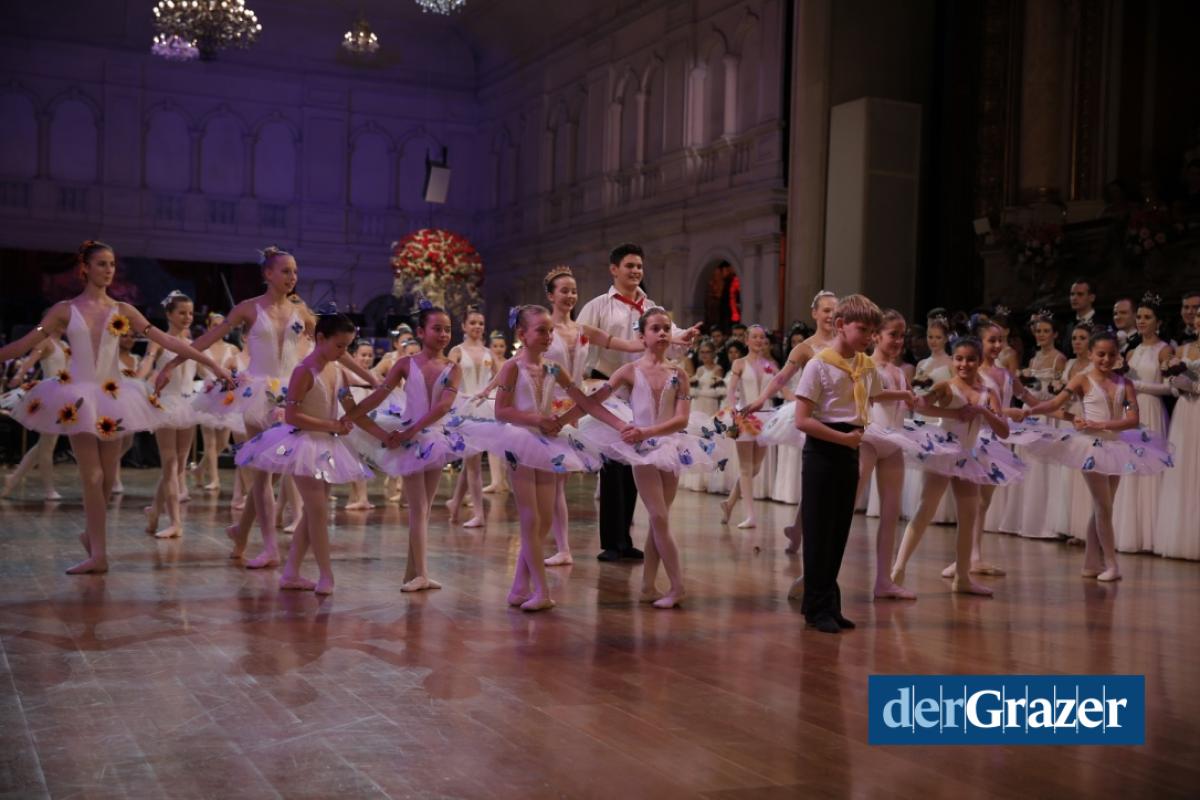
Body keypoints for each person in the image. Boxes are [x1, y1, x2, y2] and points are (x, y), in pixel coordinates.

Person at [1, 241, 231, 573]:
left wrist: (213, 364)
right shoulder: (64, 310)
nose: (109, 270)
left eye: (112, 264)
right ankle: (99, 554)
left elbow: (168, 340)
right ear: (85, 268)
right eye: (102, 264)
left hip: (112, 396)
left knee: (107, 476)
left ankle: (91, 536)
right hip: (77, 399)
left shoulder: (123, 310)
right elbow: (25, 343)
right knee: (93, 475)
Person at [155, 246, 376, 568]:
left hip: (293, 391)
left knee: (270, 474)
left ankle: (241, 532)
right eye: (285, 271)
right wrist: (172, 363)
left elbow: (336, 348)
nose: (292, 277)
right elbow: (209, 337)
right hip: (258, 394)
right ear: (268, 273)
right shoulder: (248, 308)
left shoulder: (301, 311)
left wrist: (372, 378)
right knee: (263, 474)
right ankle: (269, 546)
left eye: (295, 271)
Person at [460, 305, 606, 610]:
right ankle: (541, 590)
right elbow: (501, 410)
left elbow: (582, 401)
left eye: (550, 331)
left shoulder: (554, 368)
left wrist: (567, 418)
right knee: (530, 518)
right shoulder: (511, 367)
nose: (548, 336)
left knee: (544, 520)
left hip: (548, 443)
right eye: (541, 330)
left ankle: (518, 588)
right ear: (522, 334)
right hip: (520, 442)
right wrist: (538, 419)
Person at [578, 307, 717, 608]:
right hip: (642, 452)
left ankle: (647, 586)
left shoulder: (679, 374)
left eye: (666, 328)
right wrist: (620, 425)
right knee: (658, 517)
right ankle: (678, 587)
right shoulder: (629, 371)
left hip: (671, 446)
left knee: (659, 520)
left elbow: (681, 420)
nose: (663, 333)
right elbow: (593, 403)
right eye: (655, 328)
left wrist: (647, 431)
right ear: (642, 336)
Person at [236, 313, 381, 595]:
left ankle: (291, 572)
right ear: (320, 338)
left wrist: (382, 423)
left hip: (327, 445)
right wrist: (333, 425)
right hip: (303, 444)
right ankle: (326, 575)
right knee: (317, 511)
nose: (343, 352)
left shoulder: (337, 370)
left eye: (347, 346)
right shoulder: (304, 370)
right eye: (339, 346)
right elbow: (292, 416)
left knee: (315, 511)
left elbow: (350, 407)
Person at [574, 243, 698, 562]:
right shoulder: (599, 305)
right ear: (614, 269)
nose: (635, 271)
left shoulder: (650, 306)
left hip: (642, 390)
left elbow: (670, 338)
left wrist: (683, 337)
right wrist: (582, 380)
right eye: (629, 265)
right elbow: (580, 339)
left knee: (638, 462)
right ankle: (612, 541)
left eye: (639, 266)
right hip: (610, 384)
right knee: (614, 465)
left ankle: (626, 538)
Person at [1021, 331, 1171, 580]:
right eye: (1101, 354)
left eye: (1111, 354)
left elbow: (1133, 419)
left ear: (1118, 355)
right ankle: (1111, 564)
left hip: (1117, 446)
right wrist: (1028, 412)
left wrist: (1103, 425)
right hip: (1090, 446)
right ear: (1090, 354)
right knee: (1103, 506)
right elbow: (1056, 404)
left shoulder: (1125, 384)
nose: (1106, 359)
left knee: (1104, 506)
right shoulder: (1082, 379)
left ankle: (1091, 563)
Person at [345, 304, 473, 592]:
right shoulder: (405, 364)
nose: (443, 334)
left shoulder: (453, 368)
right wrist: (353, 413)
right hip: (411, 441)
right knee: (418, 508)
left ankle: (412, 572)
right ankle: (421, 574)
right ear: (421, 332)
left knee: (424, 509)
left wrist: (411, 431)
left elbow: (443, 407)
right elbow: (380, 394)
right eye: (437, 329)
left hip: (433, 438)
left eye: (447, 329)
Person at [891, 336, 1025, 597]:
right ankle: (898, 569)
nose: (964, 364)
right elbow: (923, 406)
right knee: (925, 509)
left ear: (979, 361)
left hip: (969, 456)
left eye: (970, 359)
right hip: (944, 452)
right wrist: (950, 412)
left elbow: (1004, 431)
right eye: (959, 359)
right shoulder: (946, 386)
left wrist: (983, 412)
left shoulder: (988, 393)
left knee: (968, 516)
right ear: (953, 360)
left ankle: (963, 576)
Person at [792, 294, 884, 633]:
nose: (869, 337)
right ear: (841, 325)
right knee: (819, 529)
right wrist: (842, 439)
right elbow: (802, 420)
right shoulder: (819, 364)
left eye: (873, 331)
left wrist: (907, 396)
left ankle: (828, 602)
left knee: (839, 530)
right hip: (823, 448)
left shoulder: (865, 365)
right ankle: (817, 607)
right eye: (864, 329)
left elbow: (874, 396)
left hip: (849, 446)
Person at [137, 291, 211, 539]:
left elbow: (203, 369)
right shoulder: (159, 340)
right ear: (169, 314)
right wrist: (136, 380)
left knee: (178, 465)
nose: (188, 317)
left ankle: (154, 511)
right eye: (182, 313)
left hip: (188, 404)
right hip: (167, 404)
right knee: (170, 464)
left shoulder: (192, 342)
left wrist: (224, 380)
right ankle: (175, 522)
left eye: (190, 313)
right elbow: (147, 362)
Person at [1111, 294, 1174, 552]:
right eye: (1139, 317)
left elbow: (1170, 388)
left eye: (1147, 317)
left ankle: (1151, 535)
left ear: (1158, 322)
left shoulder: (1164, 350)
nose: (1141, 321)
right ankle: (1130, 533)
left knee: (1149, 466)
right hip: (1132, 410)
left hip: (1152, 408)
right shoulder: (1132, 351)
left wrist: (1138, 385)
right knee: (1131, 465)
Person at [719, 324, 779, 529]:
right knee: (746, 468)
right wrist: (732, 409)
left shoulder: (771, 364)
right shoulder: (739, 363)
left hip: (766, 418)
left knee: (755, 468)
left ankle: (729, 503)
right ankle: (750, 515)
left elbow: (781, 386)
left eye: (762, 337)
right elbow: (731, 390)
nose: (759, 340)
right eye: (754, 337)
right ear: (746, 340)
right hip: (744, 416)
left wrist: (796, 401)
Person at [1, 334, 69, 500]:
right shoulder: (46, 341)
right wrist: (19, 375)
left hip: (63, 395)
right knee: (47, 445)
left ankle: (14, 478)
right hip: (50, 396)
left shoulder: (64, 344)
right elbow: (31, 360)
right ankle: (48, 489)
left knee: (45, 443)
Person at [445, 307, 495, 528]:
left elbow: (502, 375)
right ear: (464, 326)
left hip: (484, 408)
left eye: (480, 323)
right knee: (473, 461)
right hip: (463, 407)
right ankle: (479, 514)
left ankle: (455, 503)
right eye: (473, 322)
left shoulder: (489, 352)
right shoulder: (456, 351)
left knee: (471, 459)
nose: (477, 327)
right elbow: (446, 378)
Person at [1156, 337, 1200, 560]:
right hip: (1184, 411)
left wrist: (1193, 385)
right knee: (1182, 470)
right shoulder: (1182, 349)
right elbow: (1172, 389)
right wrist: (1176, 384)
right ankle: (1180, 536)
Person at [196, 312, 241, 493]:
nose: (218, 329)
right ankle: (214, 478)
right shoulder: (202, 347)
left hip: (227, 396)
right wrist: (212, 382)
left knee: (222, 442)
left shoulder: (233, 349)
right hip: (208, 395)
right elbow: (200, 370)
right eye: (214, 325)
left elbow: (238, 372)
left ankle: (199, 469)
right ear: (208, 327)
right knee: (210, 442)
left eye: (222, 325)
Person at [1060, 279, 1109, 353]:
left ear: (1092, 298)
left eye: (1080, 294)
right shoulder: (1068, 325)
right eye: (1072, 294)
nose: (1074, 298)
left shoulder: (1102, 323)